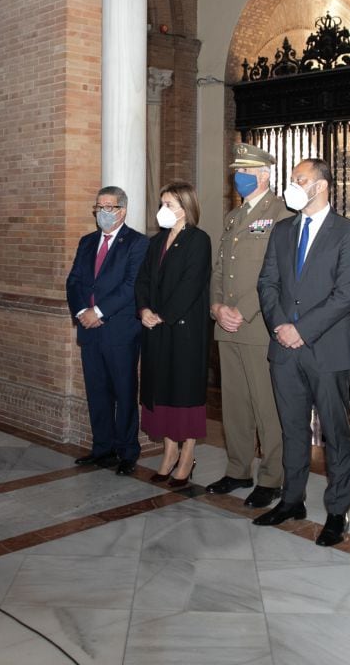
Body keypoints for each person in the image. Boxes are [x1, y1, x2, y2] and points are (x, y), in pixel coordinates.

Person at [253, 158, 350, 547]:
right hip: (284, 349)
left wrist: (301, 329)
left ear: (321, 186)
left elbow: (344, 295)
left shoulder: (349, 233)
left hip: (327, 349)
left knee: (335, 433)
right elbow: (267, 282)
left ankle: (337, 511)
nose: (293, 185)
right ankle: (292, 499)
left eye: (300, 179)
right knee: (293, 428)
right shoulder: (283, 230)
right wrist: (281, 326)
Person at [206, 143, 290, 508]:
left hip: (256, 326)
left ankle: (273, 476)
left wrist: (243, 310)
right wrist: (217, 306)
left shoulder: (282, 214)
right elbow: (220, 270)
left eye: (245, 171)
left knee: (265, 404)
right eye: (235, 171)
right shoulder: (233, 218)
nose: (238, 177)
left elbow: (277, 274)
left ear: (265, 174)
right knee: (235, 404)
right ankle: (237, 469)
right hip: (226, 325)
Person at [65, 186, 149, 475]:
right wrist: (81, 313)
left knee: (124, 391)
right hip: (89, 331)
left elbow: (131, 286)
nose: (102, 212)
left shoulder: (137, 243)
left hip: (120, 331)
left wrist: (99, 312)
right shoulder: (87, 242)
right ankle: (102, 447)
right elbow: (74, 281)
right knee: (97, 391)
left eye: (109, 207)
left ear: (122, 211)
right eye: (98, 207)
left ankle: (127, 451)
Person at [136, 183, 211, 488]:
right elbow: (141, 280)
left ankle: (187, 454)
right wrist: (143, 310)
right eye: (162, 203)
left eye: (170, 204)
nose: (163, 209)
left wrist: (163, 314)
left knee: (184, 392)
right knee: (161, 391)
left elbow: (191, 285)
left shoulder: (198, 240)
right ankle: (168, 452)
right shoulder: (155, 243)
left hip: (183, 331)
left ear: (186, 206)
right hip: (156, 329)